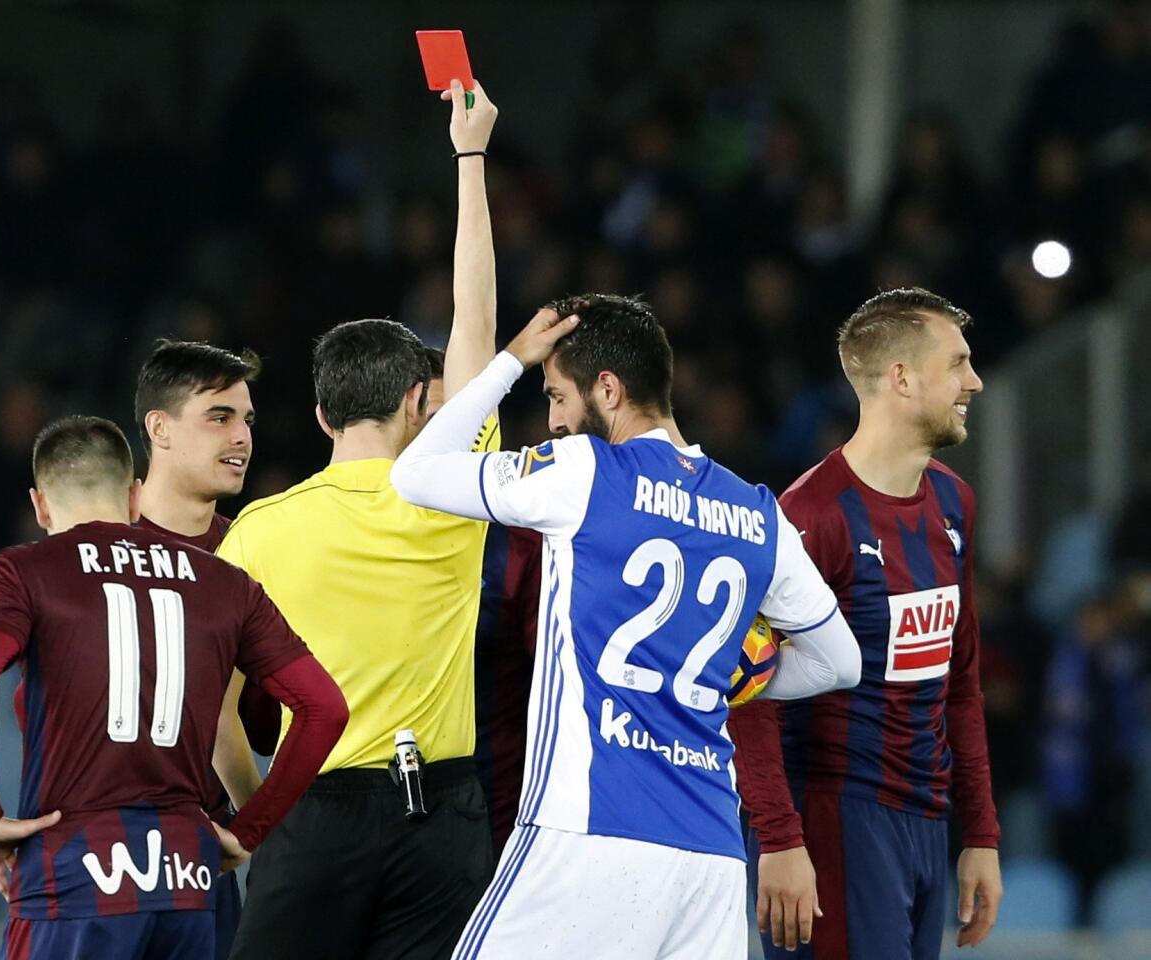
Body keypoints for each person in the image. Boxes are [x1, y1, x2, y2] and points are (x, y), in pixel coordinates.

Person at [389, 297, 862, 959]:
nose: (551, 418)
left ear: (606, 388)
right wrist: (727, 680)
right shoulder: (758, 513)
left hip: (587, 830)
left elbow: (413, 473)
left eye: (556, 395)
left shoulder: (583, 474)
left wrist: (510, 361)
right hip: (711, 856)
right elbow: (840, 663)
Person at [216, 79, 501, 960]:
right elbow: (475, 325)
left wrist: (257, 809)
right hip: (441, 818)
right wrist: (469, 156)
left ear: (320, 417)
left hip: (313, 814)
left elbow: (221, 713)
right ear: (425, 402)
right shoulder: (455, 491)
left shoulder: (257, 530)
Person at [0, 415, 347, 960]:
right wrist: (249, 829)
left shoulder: (23, 572)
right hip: (187, 877)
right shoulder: (225, 581)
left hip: (73, 877)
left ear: (40, 506)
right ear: (134, 498)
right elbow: (324, 708)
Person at [728, 287, 1003, 959]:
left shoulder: (951, 500)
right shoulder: (809, 516)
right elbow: (748, 691)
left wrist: (979, 834)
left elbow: (958, 682)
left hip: (924, 822)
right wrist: (781, 839)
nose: (975, 381)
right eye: (957, 363)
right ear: (900, 378)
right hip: (832, 819)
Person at [132, 338, 277, 960]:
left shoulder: (255, 553)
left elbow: (262, 724)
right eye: (219, 417)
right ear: (159, 428)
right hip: (98, 855)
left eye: (247, 419)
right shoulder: (89, 546)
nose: (242, 436)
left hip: (204, 868)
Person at [424, 346, 543, 858]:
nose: (442, 434)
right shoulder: (344, 531)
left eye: (459, 418)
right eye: (430, 418)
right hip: (370, 822)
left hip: (494, 821)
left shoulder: (522, 539)